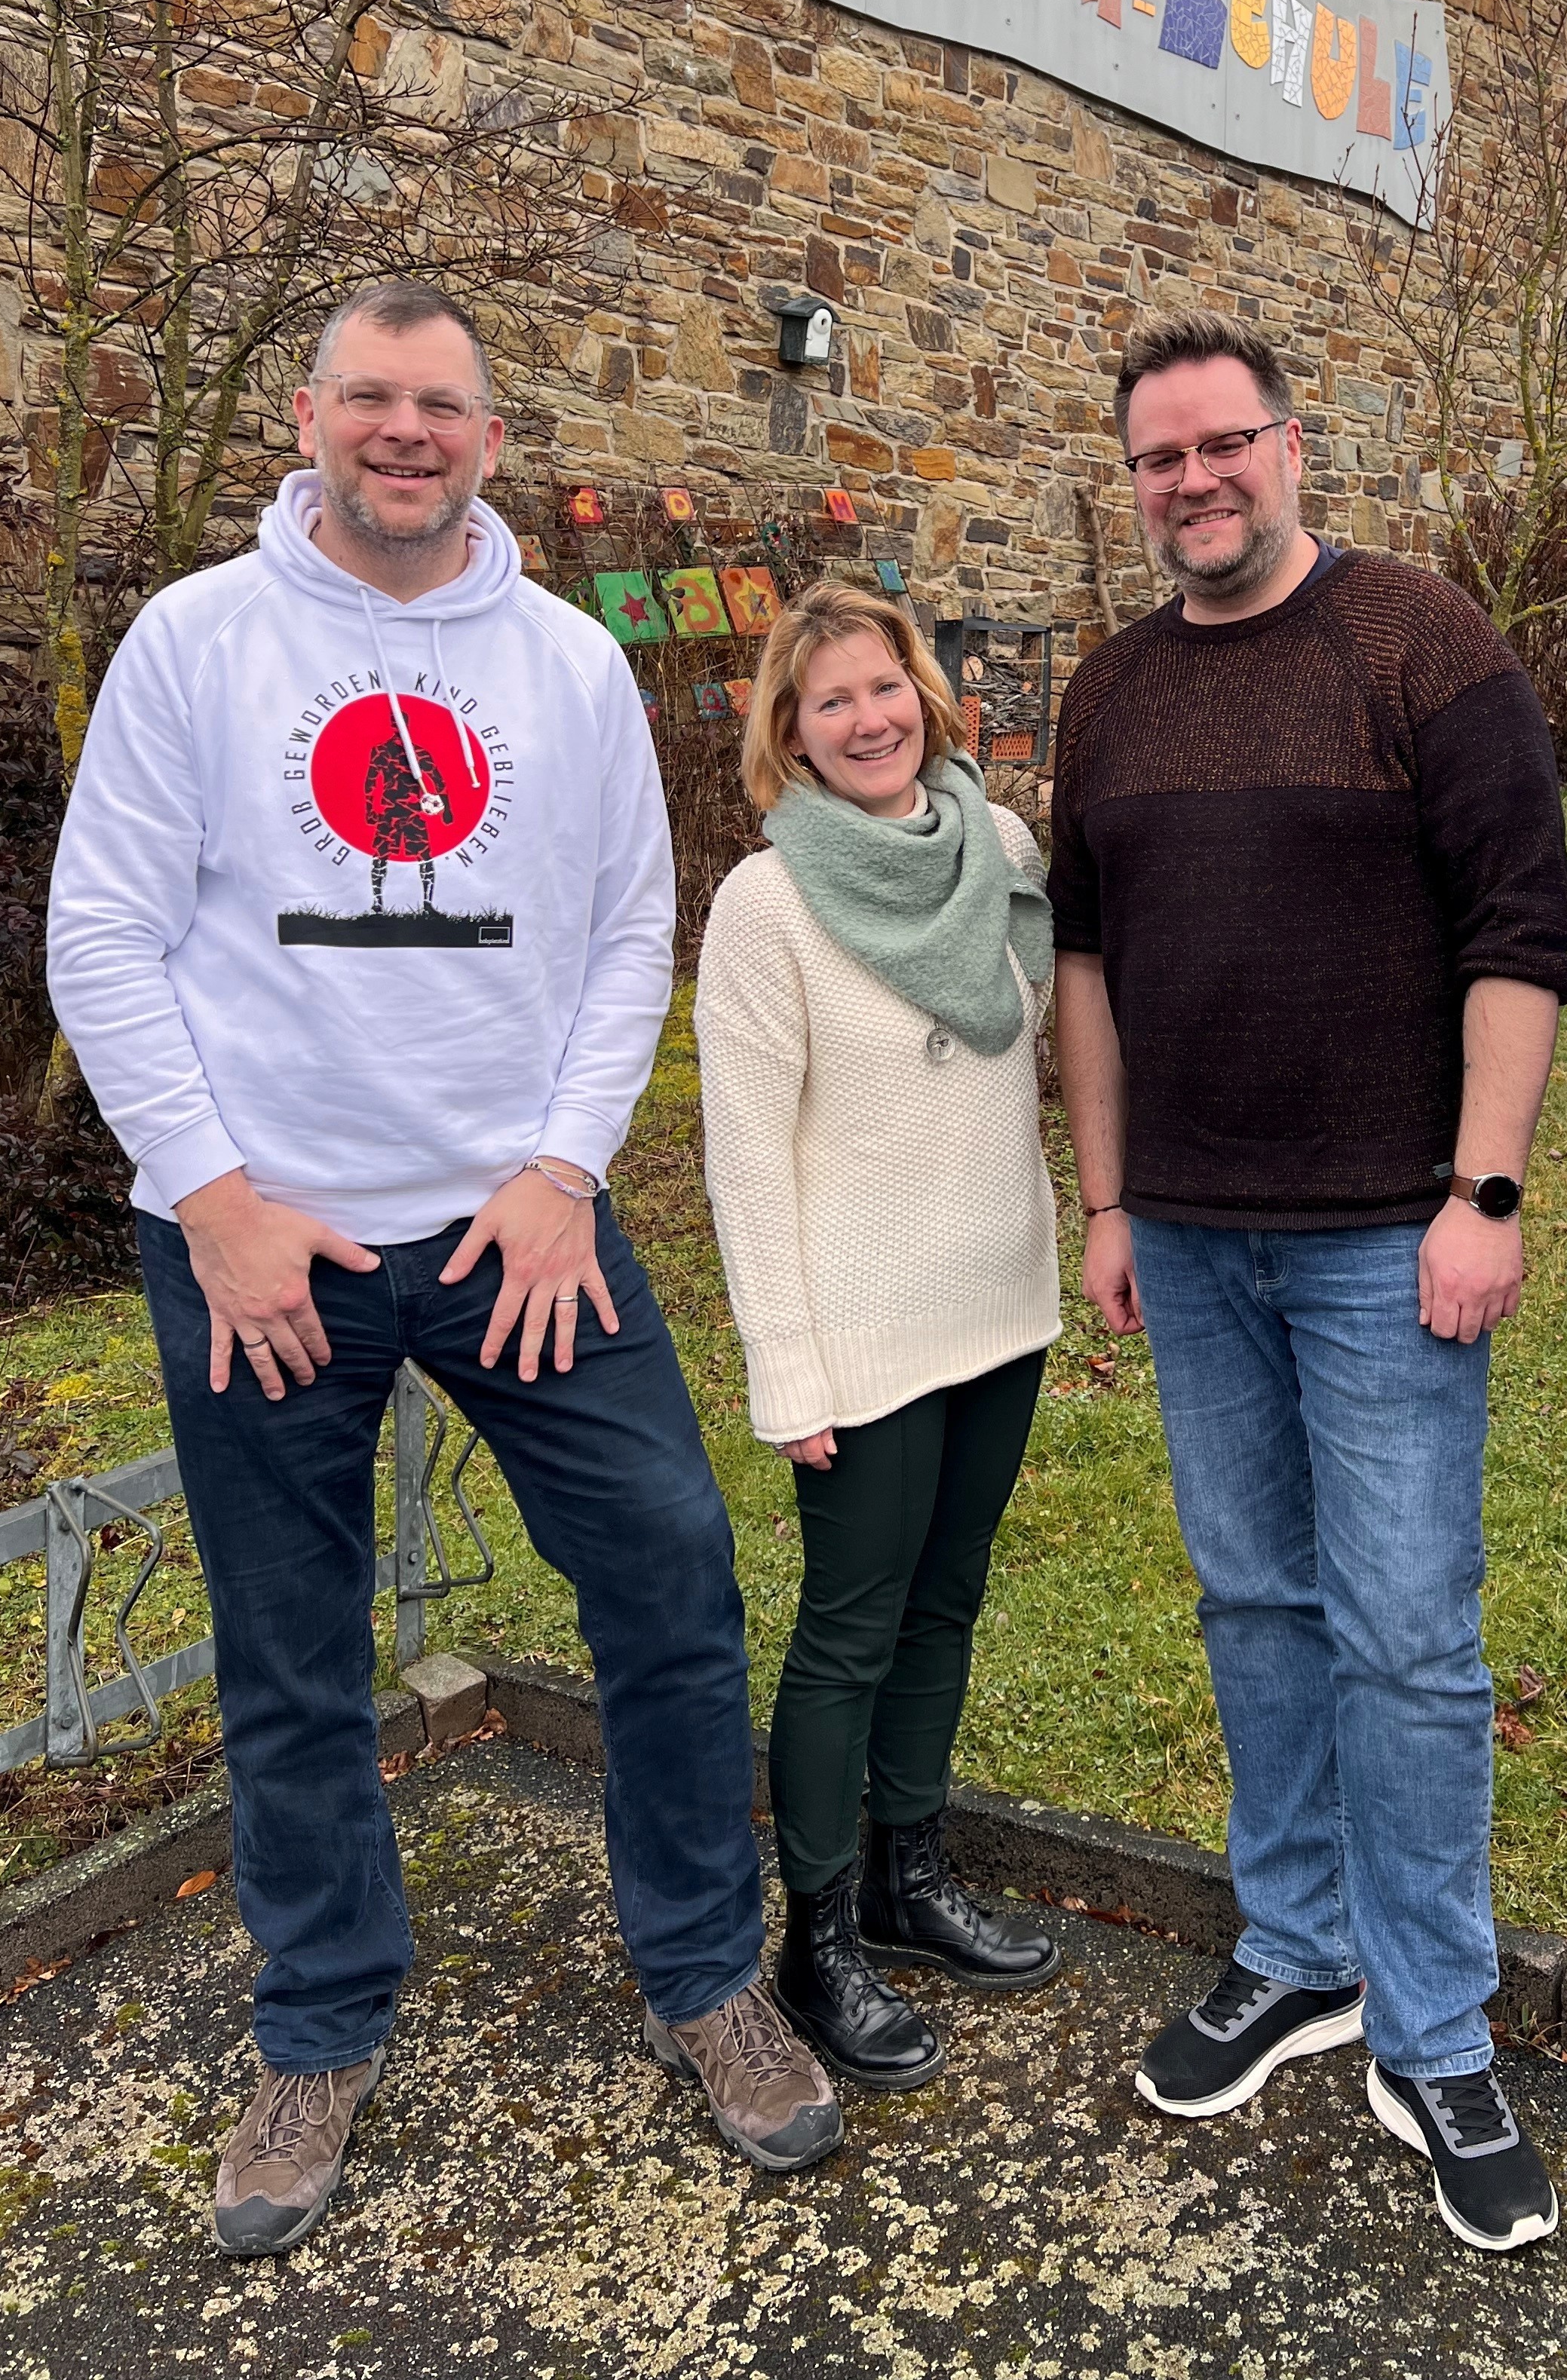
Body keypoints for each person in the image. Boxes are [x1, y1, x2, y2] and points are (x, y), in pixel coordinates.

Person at [46, 278, 842, 2259]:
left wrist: (571, 1168)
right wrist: (211, 1197)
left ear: (492, 440)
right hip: (265, 1253)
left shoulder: (565, 669)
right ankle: (317, 2020)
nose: (406, 432)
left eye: (444, 407)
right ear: (309, 417)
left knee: (668, 1574)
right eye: (372, 399)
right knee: (288, 1650)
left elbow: (620, 934)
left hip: (516, 1237)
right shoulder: (195, 647)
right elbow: (105, 938)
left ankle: (701, 1974)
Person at [1048, 308, 1567, 2256]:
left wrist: (1488, 1190)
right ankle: (1297, 1950)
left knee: (1407, 1635)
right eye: (1159, 459)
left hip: (1388, 1241)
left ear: (1292, 444)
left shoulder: (1425, 646)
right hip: (1187, 1238)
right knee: (1254, 1601)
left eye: (1224, 445)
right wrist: (1108, 1200)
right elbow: (1085, 966)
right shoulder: (1106, 693)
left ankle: (1437, 2027)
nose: (1194, 481)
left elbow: (1523, 927)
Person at [696, 581, 1063, 2090]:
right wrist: (785, 1361)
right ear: (790, 735)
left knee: (948, 1602)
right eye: (830, 701)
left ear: (925, 691)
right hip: (859, 1330)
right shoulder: (765, 907)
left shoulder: (1003, 851)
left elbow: (1031, 1044)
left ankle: (914, 1881)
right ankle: (822, 1932)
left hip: (998, 1299)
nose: (869, 718)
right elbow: (742, 1156)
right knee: (852, 1627)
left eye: (887, 686)